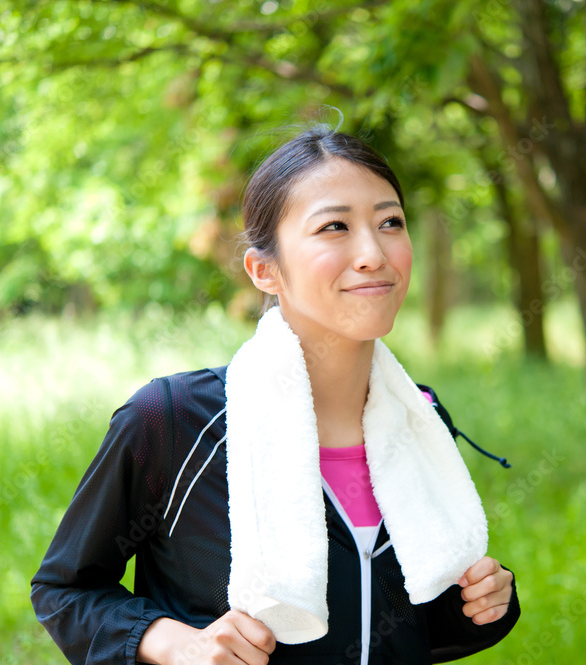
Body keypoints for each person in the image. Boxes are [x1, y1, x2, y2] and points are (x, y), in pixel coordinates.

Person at [30, 125, 521, 665]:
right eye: (334, 226)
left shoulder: (419, 417)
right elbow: (65, 591)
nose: (373, 253)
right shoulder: (173, 420)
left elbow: (411, 629)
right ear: (266, 270)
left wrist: (482, 602)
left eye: (390, 223)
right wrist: (177, 645)